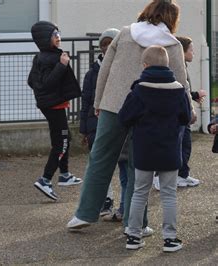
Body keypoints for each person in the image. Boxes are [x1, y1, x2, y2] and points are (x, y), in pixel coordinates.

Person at [67, 0, 194, 230]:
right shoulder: (171, 44)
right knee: (140, 166)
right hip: (150, 112)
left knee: (100, 157)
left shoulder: (125, 33)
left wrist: (98, 102)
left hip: (113, 104)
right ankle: (135, 224)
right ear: (171, 18)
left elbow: (105, 69)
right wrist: (190, 111)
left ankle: (84, 213)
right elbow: (181, 83)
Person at [119, 45, 190, 252]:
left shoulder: (139, 89)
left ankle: (133, 236)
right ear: (168, 64)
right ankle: (170, 238)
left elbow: (124, 118)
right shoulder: (178, 89)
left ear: (145, 65)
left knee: (140, 192)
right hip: (169, 149)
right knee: (169, 193)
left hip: (144, 149)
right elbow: (185, 117)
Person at [28, 21, 83, 201]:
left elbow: (32, 81)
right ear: (46, 39)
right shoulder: (50, 58)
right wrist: (62, 65)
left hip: (53, 105)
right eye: (54, 35)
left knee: (64, 137)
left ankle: (65, 174)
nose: (58, 37)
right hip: (53, 106)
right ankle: (45, 179)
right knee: (62, 142)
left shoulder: (43, 56)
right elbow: (46, 83)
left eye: (58, 33)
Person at [80, 28, 127, 221]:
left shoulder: (124, 69)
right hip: (96, 124)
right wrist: (84, 129)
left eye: (111, 44)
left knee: (125, 167)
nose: (107, 48)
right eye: (104, 45)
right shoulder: (93, 73)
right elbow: (87, 101)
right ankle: (105, 202)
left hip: (121, 123)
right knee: (100, 166)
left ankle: (125, 206)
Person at [153, 36, 205, 190]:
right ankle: (159, 177)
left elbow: (184, 89)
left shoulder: (183, 66)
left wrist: (193, 96)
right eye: (191, 50)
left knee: (184, 144)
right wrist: (191, 104)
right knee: (172, 145)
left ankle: (182, 174)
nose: (193, 53)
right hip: (176, 113)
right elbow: (179, 88)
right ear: (181, 51)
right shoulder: (176, 67)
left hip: (182, 110)